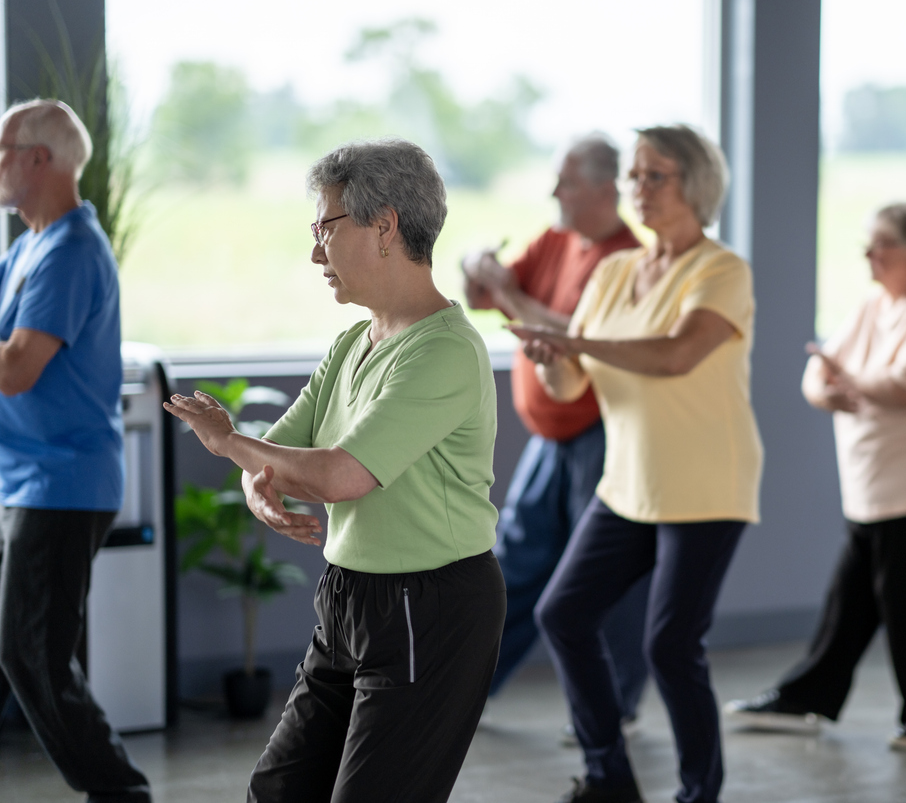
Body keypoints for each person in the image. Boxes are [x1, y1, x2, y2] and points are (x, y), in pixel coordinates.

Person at [164, 139, 506, 803]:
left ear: (384, 228)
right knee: (279, 792)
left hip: (429, 608)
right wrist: (255, 483)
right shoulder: (355, 342)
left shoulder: (444, 352)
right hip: (350, 599)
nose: (315, 251)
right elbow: (282, 452)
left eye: (326, 227)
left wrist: (232, 446)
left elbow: (337, 476)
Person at [512, 124, 762, 803]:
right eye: (636, 177)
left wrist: (578, 339)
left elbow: (675, 356)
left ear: (696, 185)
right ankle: (607, 778)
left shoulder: (721, 270)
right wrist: (556, 360)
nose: (639, 189)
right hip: (628, 484)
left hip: (707, 483)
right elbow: (575, 386)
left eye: (657, 176)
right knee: (562, 614)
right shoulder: (615, 271)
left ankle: (697, 793)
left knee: (670, 647)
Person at [723, 203, 906, 750]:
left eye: (882, 247)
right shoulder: (874, 304)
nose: (869, 258)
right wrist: (829, 387)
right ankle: (808, 696)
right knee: (853, 595)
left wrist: (851, 381)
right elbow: (821, 366)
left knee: (904, 597)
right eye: (867, 247)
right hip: (878, 485)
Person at [461, 134, 650, 724]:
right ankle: (467, 688)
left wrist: (512, 293)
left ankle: (613, 706)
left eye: (564, 181)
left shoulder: (628, 259)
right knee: (516, 561)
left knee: (605, 577)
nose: (553, 192)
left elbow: (576, 333)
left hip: (603, 436)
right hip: (552, 439)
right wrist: (478, 264)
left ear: (601, 188)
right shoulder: (554, 239)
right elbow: (485, 295)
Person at [0, 99, 150, 803]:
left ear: (40, 158)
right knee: (32, 651)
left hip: (62, 483)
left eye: (3, 149)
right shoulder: (27, 245)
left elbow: (16, 368)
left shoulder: (69, 250)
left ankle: (121, 794)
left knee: (34, 655)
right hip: (30, 477)